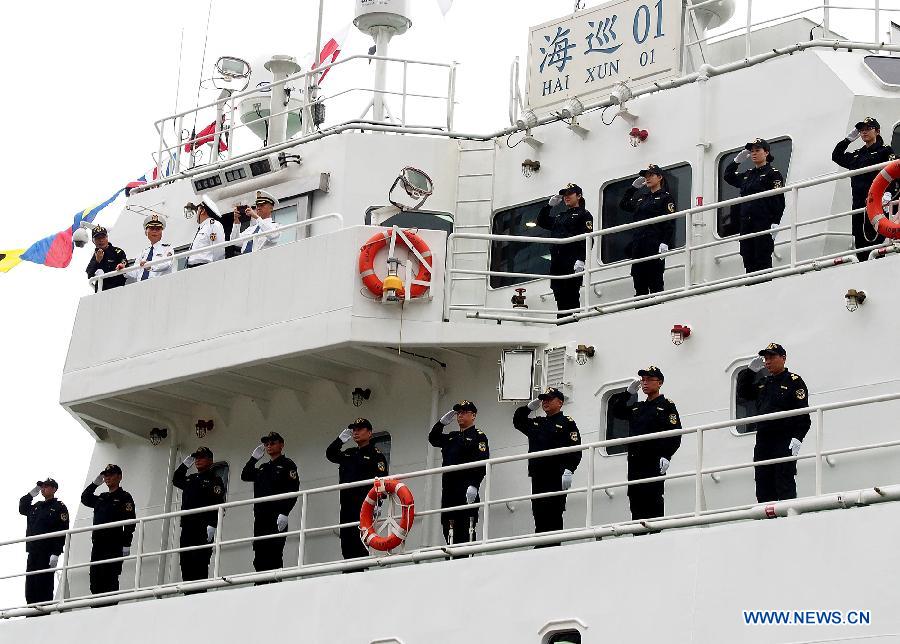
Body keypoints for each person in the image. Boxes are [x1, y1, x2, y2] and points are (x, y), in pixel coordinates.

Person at [737, 343, 811, 502]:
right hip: (763, 440)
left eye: (771, 357)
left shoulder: (794, 381)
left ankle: (787, 519)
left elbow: (803, 416)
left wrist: (798, 438)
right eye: (766, 358)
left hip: (784, 439)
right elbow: (743, 393)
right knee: (763, 482)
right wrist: (749, 372)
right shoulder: (764, 382)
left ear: (783, 358)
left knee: (784, 481)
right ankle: (766, 520)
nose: (767, 362)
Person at [610, 366, 682, 521]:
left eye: (649, 379)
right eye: (643, 380)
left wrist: (666, 455)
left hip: (653, 461)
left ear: (660, 383)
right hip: (636, 462)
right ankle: (638, 535)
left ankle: (655, 534)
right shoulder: (638, 407)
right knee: (635, 499)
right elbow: (617, 411)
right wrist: (628, 393)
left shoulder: (666, 405)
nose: (645, 383)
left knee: (653, 498)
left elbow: (675, 434)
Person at [513, 387, 582, 546]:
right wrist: (529, 407)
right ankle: (541, 545)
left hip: (556, 475)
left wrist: (569, 469)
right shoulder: (538, 422)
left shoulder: (567, 423)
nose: (545, 402)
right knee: (539, 512)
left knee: (554, 513)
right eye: (543, 399)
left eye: (549, 399)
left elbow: (575, 448)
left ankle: (553, 546)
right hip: (538, 475)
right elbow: (518, 421)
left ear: (560, 402)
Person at [832, 116, 897, 261]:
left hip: (878, 204)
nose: (864, 132)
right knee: (860, 244)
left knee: (877, 244)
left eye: (868, 129)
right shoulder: (856, 155)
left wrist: (888, 194)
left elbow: (893, 173)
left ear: (877, 131)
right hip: (859, 206)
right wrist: (848, 139)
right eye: (861, 130)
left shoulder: (884, 151)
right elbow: (836, 156)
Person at [429, 400, 489, 549]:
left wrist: (475, 485)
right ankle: (452, 558)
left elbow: (482, 463)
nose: (460, 415)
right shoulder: (452, 436)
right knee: (447, 527)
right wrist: (441, 423)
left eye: (464, 412)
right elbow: (433, 438)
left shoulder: (479, 437)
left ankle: (466, 559)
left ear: (473, 415)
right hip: (449, 490)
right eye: (458, 413)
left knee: (466, 528)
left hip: (466, 489)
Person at [325, 418, 388, 562]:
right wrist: (340, 440)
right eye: (354, 430)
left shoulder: (376, 455)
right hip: (346, 506)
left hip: (364, 506)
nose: (355, 432)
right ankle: (349, 574)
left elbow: (381, 480)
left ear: (369, 433)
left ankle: (359, 573)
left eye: (359, 429)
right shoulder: (349, 453)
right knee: (346, 545)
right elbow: (330, 454)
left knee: (360, 545)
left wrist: (378, 504)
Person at [240, 431, 299, 576]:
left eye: (272, 443)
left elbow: (293, 490)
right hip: (261, 517)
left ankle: (273, 582)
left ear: (281, 445)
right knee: (259, 554)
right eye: (266, 444)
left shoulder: (287, 465)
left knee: (274, 552)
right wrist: (253, 459)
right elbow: (245, 475)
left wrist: (285, 512)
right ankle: (260, 582)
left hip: (276, 516)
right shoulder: (263, 467)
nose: (269, 446)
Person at [723, 139, 786, 274]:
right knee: (748, 258)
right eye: (752, 151)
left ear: (766, 152)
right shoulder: (748, 175)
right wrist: (737, 160)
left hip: (763, 223)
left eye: (757, 150)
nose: (754, 154)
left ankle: (764, 289)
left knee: (762, 258)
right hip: (746, 224)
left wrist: (776, 222)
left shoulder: (773, 174)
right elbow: (728, 176)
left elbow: (778, 199)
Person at [536, 183, 594, 319]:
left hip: (572, 261)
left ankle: (572, 324)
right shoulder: (560, 216)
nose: (566, 197)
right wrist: (548, 206)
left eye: (570, 194)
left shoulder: (584, 215)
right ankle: (562, 323)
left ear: (578, 196)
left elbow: (587, 238)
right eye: (565, 195)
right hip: (557, 262)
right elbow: (541, 221)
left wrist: (581, 259)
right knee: (559, 295)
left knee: (572, 296)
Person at [618, 165, 677, 296]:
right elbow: (624, 205)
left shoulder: (665, 198)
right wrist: (633, 189)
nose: (647, 178)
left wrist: (665, 242)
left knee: (655, 283)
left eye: (651, 175)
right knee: (639, 284)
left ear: (660, 177)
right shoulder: (642, 198)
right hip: (638, 245)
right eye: (646, 176)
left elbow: (669, 222)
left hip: (654, 244)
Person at [172, 447, 226, 592]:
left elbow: (218, 504)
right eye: (196, 458)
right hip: (188, 527)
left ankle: (199, 593)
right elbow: (176, 479)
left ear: (210, 460)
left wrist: (213, 524)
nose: (198, 460)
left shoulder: (215, 480)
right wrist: (185, 464)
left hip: (203, 528)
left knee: (200, 562)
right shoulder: (191, 479)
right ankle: (188, 593)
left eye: (201, 457)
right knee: (186, 561)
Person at [80, 464, 136, 597]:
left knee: (110, 580)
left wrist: (126, 544)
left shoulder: (124, 497)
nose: (107, 478)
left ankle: (111, 609)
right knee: (95, 580)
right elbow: (85, 498)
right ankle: (97, 611)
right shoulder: (101, 497)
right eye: (105, 475)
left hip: (113, 545)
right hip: (98, 545)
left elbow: (130, 522)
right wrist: (95, 483)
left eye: (110, 475)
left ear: (119, 477)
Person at [18, 478, 69, 604]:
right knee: (30, 586)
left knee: (43, 584)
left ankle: (44, 612)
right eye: (42, 487)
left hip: (47, 553)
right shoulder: (37, 507)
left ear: (54, 489)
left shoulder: (59, 507)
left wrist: (56, 553)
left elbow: (62, 530)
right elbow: (22, 508)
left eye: (46, 486)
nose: (43, 489)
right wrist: (33, 492)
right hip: (33, 552)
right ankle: (31, 611)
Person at [127, 214, 174, 282]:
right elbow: (135, 272)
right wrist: (124, 270)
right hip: (141, 287)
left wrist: (150, 266)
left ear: (161, 232)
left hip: (159, 285)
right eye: (152, 228)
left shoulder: (167, 248)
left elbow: (167, 264)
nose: (154, 231)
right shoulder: (143, 252)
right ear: (146, 232)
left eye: (158, 229)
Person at [185, 196, 226, 268]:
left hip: (204, 267)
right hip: (193, 268)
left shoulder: (213, 225)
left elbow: (218, 250)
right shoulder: (202, 228)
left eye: (197, 210)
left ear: (202, 210)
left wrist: (215, 267)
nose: (196, 213)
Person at [85, 225, 127, 291]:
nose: (101, 240)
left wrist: (122, 265)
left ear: (107, 238)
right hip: (102, 292)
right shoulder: (95, 256)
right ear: (93, 241)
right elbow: (89, 274)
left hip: (118, 289)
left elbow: (124, 262)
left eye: (103, 237)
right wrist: (97, 261)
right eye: (98, 238)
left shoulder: (117, 251)